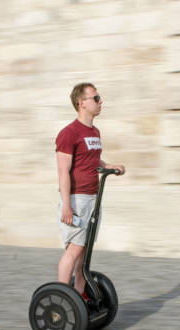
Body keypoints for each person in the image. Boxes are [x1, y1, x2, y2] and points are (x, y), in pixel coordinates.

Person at [55, 83, 125, 299]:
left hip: (93, 198)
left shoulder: (94, 132)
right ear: (81, 103)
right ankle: (62, 298)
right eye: (95, 98)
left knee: (84, 252)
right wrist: (67, 205)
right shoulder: (68, 133)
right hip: (77, 200)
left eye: (98, 97)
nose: (100, 101)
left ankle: (79, 296)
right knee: (74, 250)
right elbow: (63, 171)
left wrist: (109, 166)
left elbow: (93, 161)